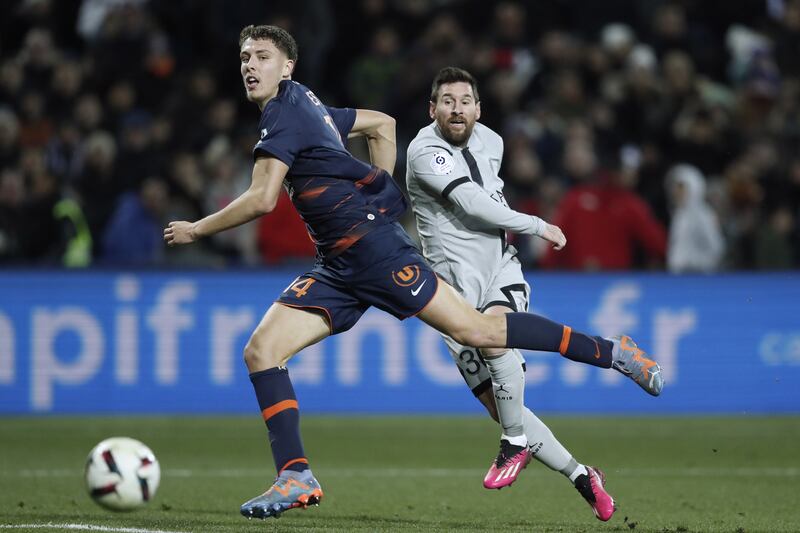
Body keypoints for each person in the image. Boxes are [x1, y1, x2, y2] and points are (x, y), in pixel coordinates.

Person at [163, 25, 663, 522]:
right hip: (338, 264)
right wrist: (380, 186)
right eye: (246, 57)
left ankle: (614, 352)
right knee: (261, 351)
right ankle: (295, 475)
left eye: (263, 57)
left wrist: (196, 229)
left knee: (480, 331)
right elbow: (381, 123)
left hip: (376, 253)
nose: (251, 65)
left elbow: (263, 198)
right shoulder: (307, 104)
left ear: (287, 66)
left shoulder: (283, 113)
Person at [405, 66, 662, 521]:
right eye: (447, 100)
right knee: (506, 408)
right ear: (433, 109)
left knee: (495, 338)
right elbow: (470, 202)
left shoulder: (493, 141)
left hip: (500, 271)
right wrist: (536, 224)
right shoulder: (424, 151)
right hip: (451, 292)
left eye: (466, 100)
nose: (457, 108)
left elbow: (488, 200)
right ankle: (583, 476)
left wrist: (526, 228)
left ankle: (609, 354)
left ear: (479, 109)